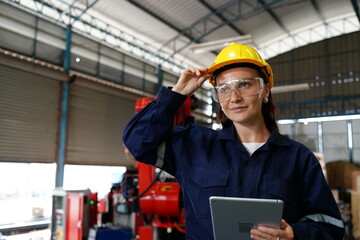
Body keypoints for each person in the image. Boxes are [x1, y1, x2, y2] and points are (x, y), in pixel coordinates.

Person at [122, 43, 344, 240]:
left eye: (245, 85)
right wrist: (177, 94)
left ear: (265, 89)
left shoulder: (298, 158)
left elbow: (331, 227)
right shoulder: (193, 145)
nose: (234, 97)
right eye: (224, 89)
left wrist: (294, 234)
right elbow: (137, 142)